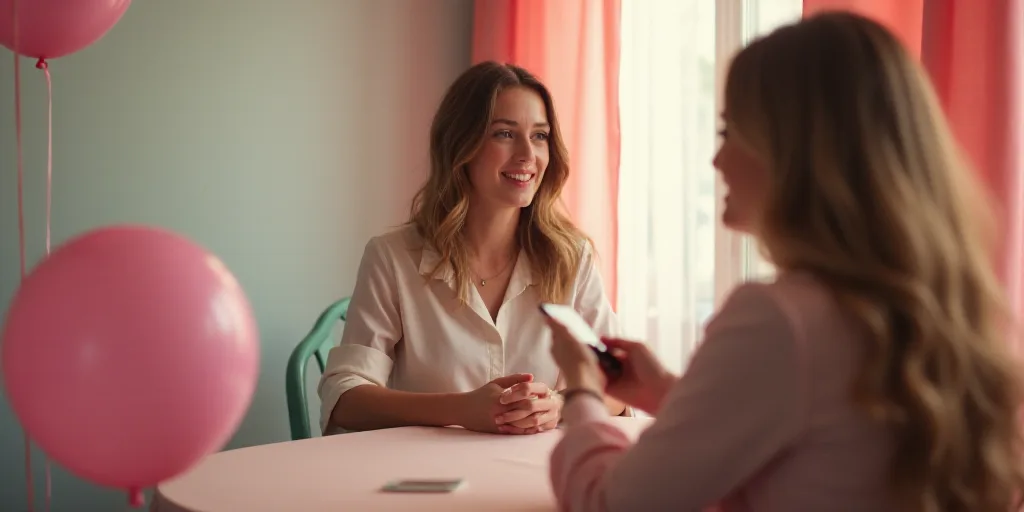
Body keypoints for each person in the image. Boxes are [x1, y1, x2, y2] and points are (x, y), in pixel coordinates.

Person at [545, 11, 1024, 512]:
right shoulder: (939, 305)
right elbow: (828, 444)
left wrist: (582, 391)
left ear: (793, 151)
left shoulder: (779, 320)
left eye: (729, 132)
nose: (717, 160)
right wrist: (673, 395)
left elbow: (608, 502)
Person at [318, 61, 627, 436]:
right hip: (426, 481)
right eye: (504, 134)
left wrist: (560, 405)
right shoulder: (393, 257)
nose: (528, 154)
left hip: (536, 474)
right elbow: (345, 398)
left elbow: (620, 385)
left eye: (540, 136)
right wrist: (460, 408)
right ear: (461, 145)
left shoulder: (571, 258)